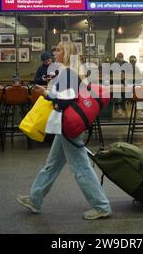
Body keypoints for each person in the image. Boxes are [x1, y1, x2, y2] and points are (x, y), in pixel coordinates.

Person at [17, 41, 111, 220]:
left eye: (58, 49)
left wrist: (45, 93)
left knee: (80, 167)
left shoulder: (67, 72)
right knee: (51, 165)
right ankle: (35, 199)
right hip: (66, 125)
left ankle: (101, 206)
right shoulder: (71, 71)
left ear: (66, 53)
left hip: (68, 126)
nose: (55, 52)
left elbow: (64, 101)